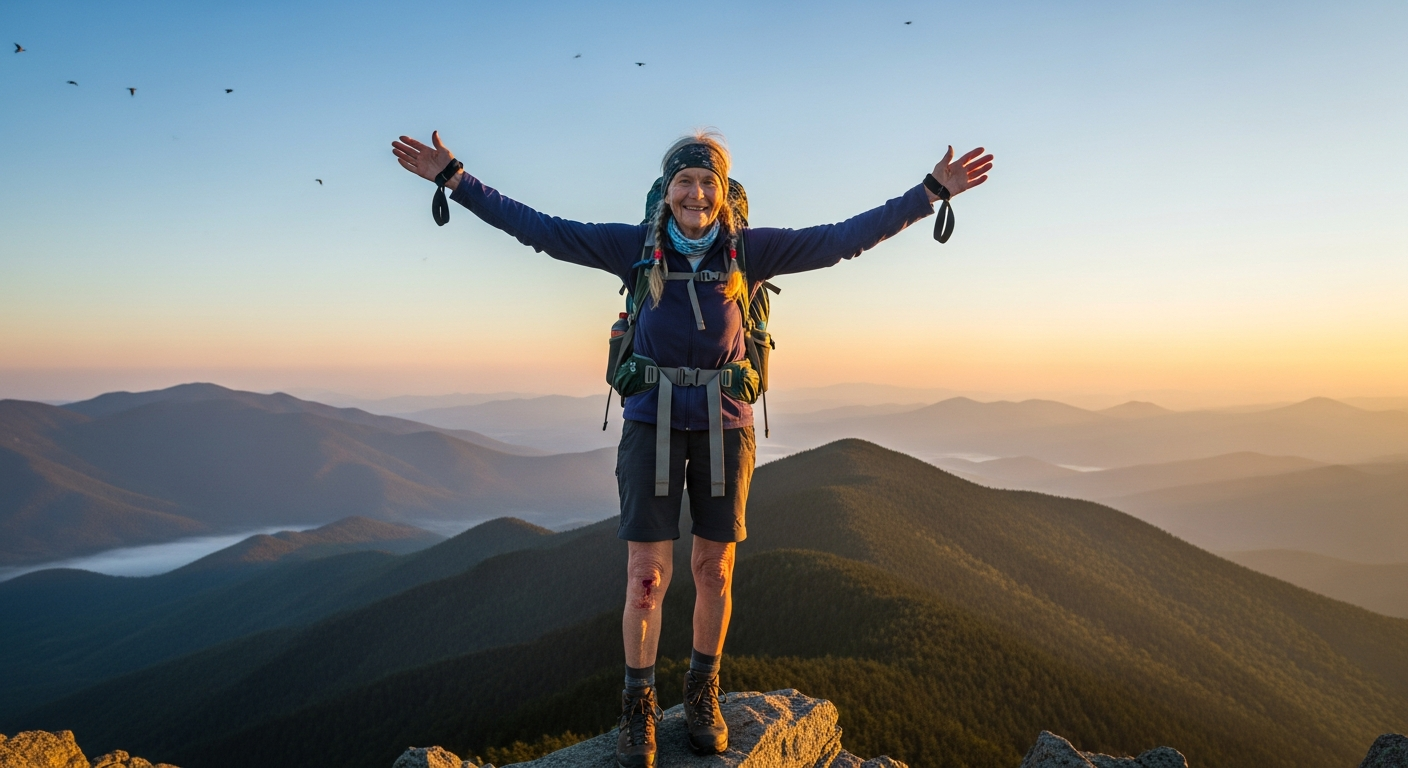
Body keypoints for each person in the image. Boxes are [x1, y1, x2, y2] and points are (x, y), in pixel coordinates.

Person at [392, 129, 992, 768]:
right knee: (645, 579)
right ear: (666, 191)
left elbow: (843, 239)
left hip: (724, 426)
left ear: (723, 192)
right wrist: (456, 176)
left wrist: (929, 193)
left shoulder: (747, 254)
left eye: (708, 182)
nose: (696, 193)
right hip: (650, 423)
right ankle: (638, 707)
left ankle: (703, 691)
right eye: (685, 181)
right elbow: (539, 227)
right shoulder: (634, 248)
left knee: (713, 568)